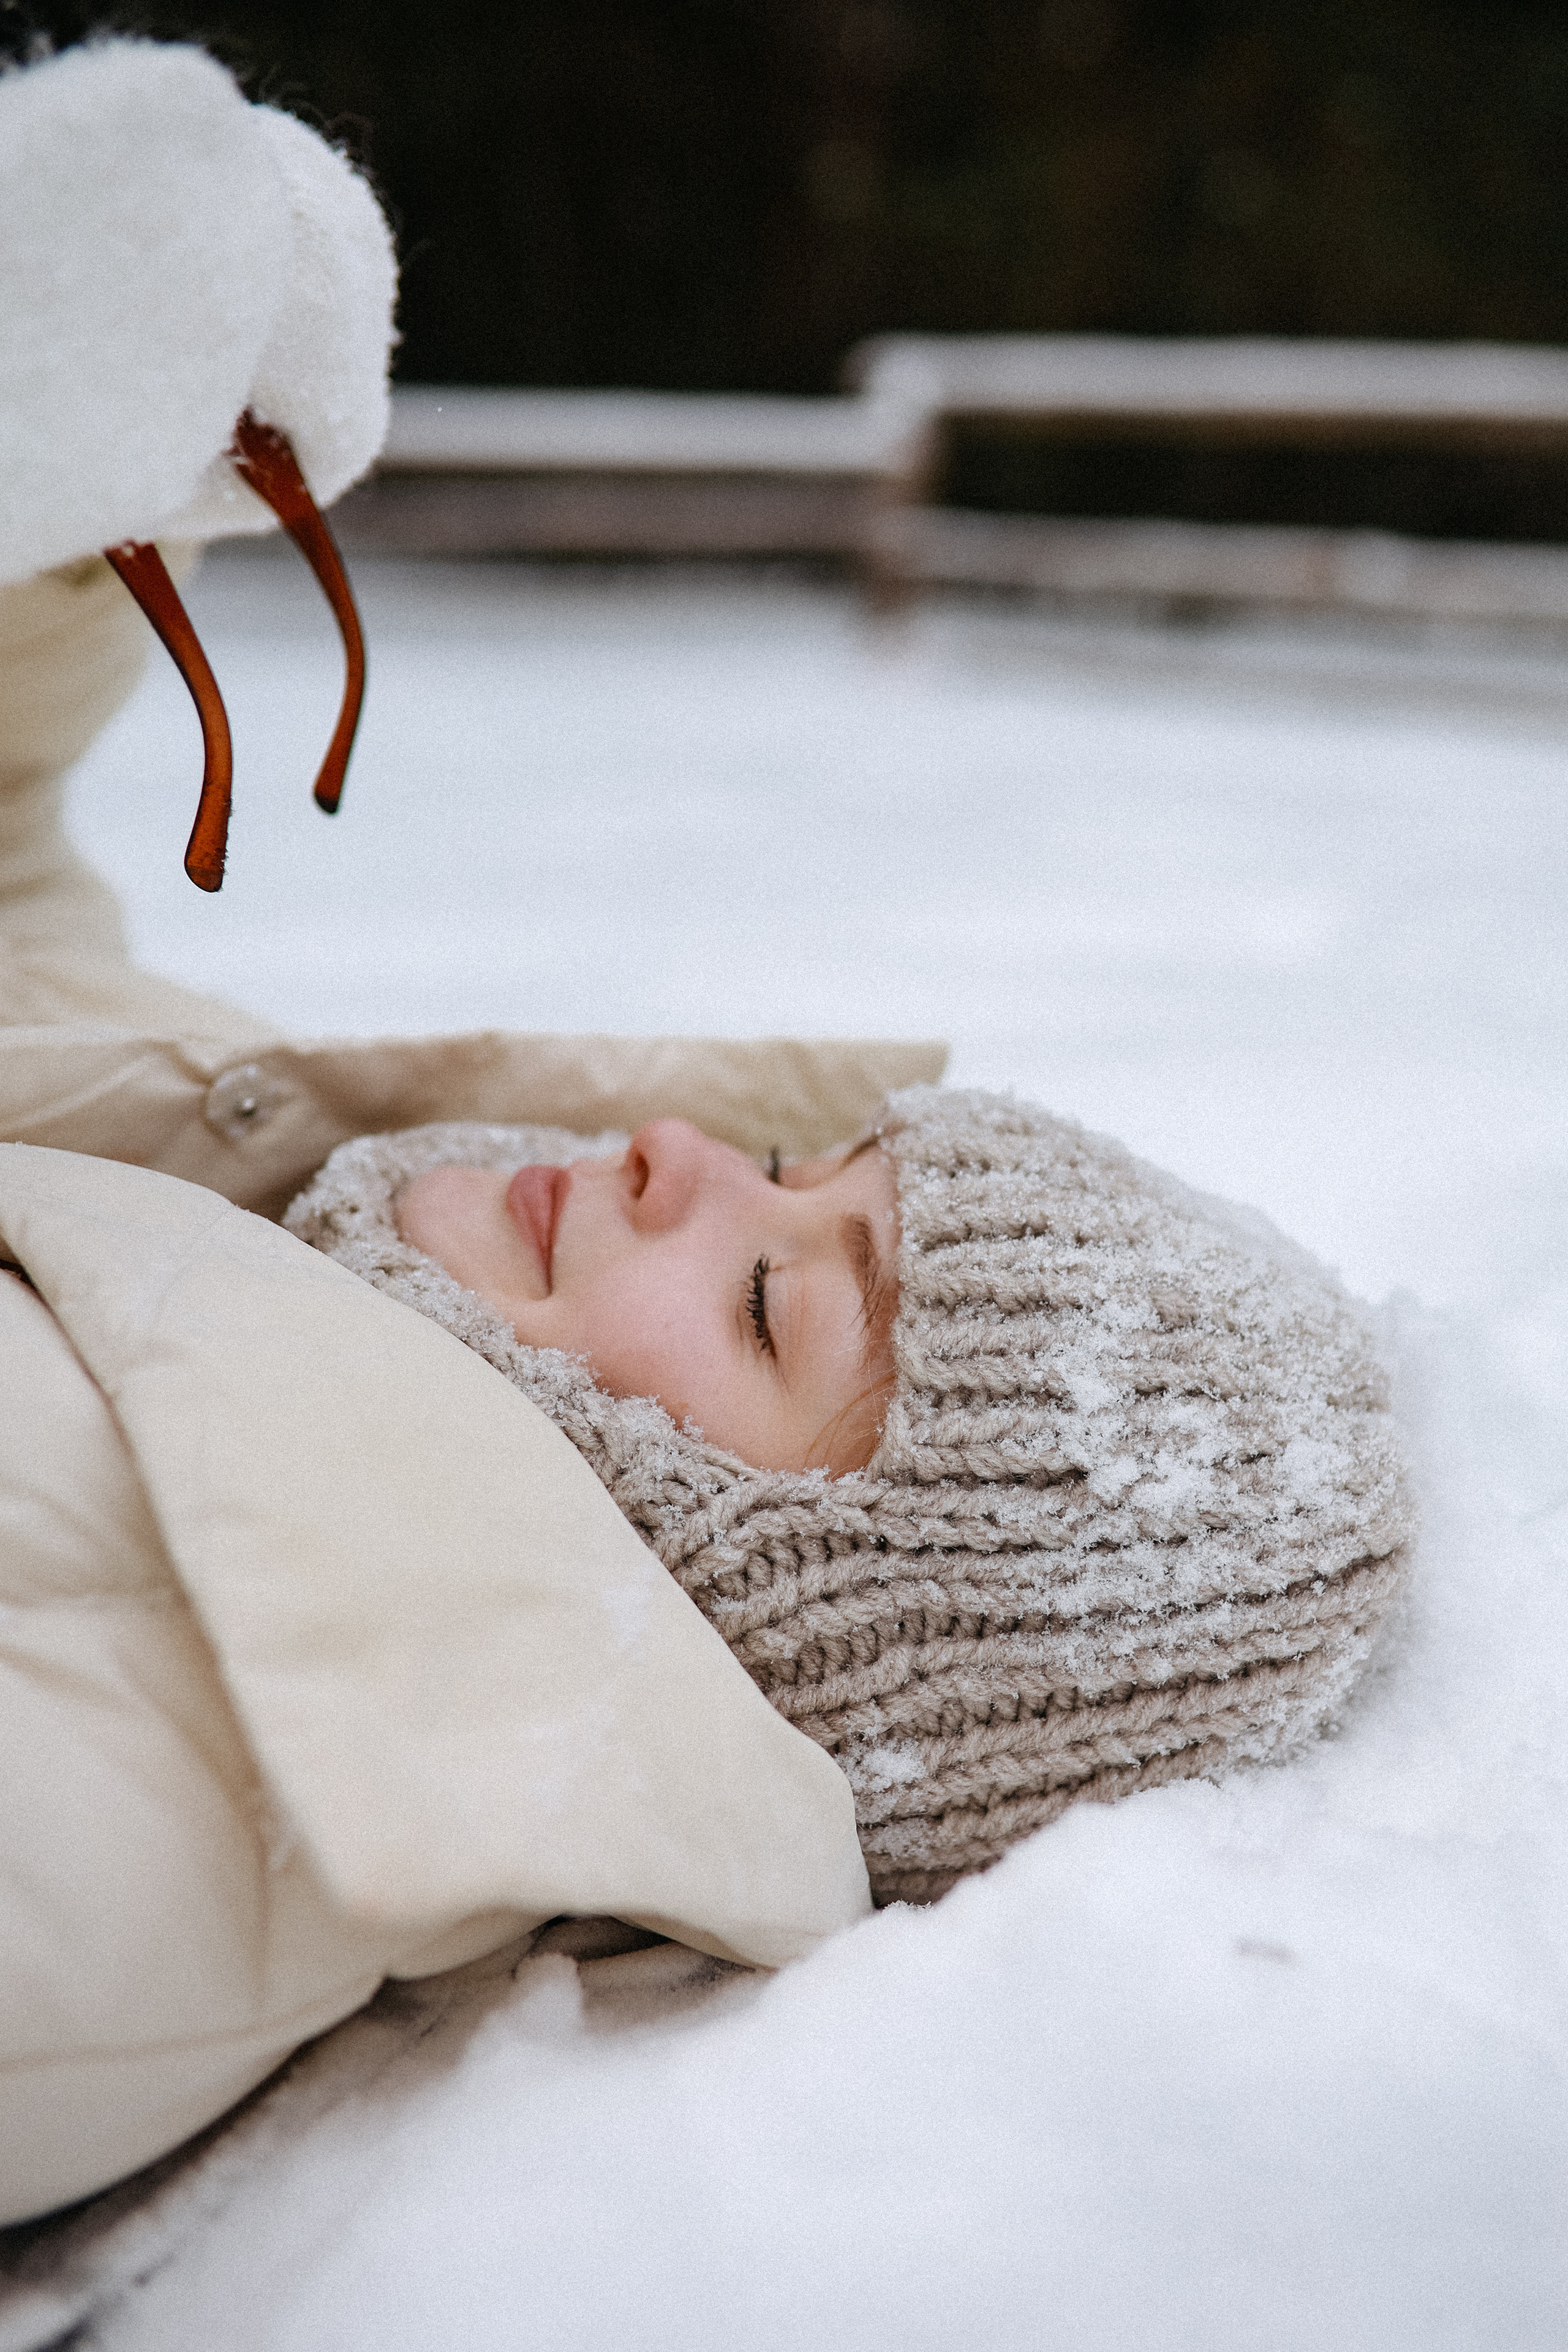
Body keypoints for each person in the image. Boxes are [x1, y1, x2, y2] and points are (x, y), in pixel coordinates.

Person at [0, 34, 1412, 2229]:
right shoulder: (281, 1236)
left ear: (783, 1605)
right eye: (798, 1169)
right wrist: (99, 481)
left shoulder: (215, 1797)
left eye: (768, 1298)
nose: (676, 1149)